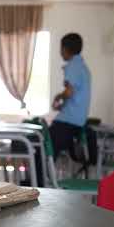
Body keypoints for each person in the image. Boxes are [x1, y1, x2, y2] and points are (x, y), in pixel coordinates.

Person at [49, 33, 91, 161]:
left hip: (68, 121)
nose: (60, 52)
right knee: (50, 150)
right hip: (77, 121)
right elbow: (74, 94)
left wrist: (58, 96)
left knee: (43, 149)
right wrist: (62, 105)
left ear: (65, 49)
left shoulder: (73, 65)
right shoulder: (82, 67)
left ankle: (39, 180)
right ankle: (44, 177)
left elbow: (69, 92)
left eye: (61, 49)